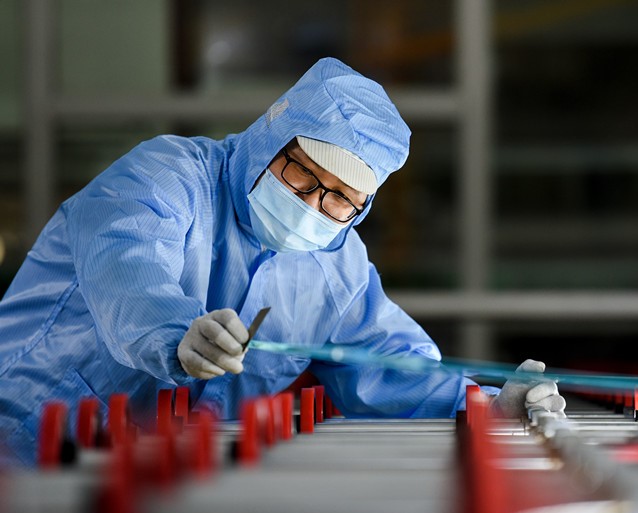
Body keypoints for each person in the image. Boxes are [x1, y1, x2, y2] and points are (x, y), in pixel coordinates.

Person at [0, 58, 565, 467]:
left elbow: (391, 366)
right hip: (19, 450)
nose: (312, 206)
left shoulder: (335, 265)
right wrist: (174, 333)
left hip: (151, 483)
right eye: (302, 173)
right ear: (271, 134)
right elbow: (126, 264)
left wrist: (489, 408)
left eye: (341, 198)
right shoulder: (166, 176)